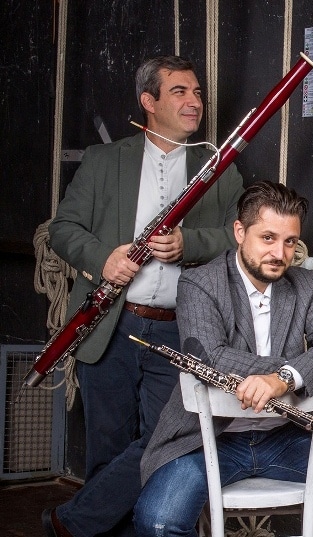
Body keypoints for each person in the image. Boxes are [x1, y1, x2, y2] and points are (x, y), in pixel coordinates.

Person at [44, 55, 244, 536]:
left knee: (165, 445)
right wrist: (102, 259)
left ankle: (68, 525)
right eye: (180, 92)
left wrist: (189, 244)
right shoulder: (103, 160)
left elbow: (238, 235)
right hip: (110, 323)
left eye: (197, 93)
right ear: (148, 102)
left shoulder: (220, 168)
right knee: (107, 452)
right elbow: (62, 229)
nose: (194, 102)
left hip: (178, 329)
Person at [134, 181, 313, 536]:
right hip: (210, 440)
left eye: (289, 241)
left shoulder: (303, 284)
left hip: (284, 438)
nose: (279, 253)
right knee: (158, 522)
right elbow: (210, 357)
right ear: (240, 232)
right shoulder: (199, 283)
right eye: (267, 238)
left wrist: (281, 379)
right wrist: (300, 367)